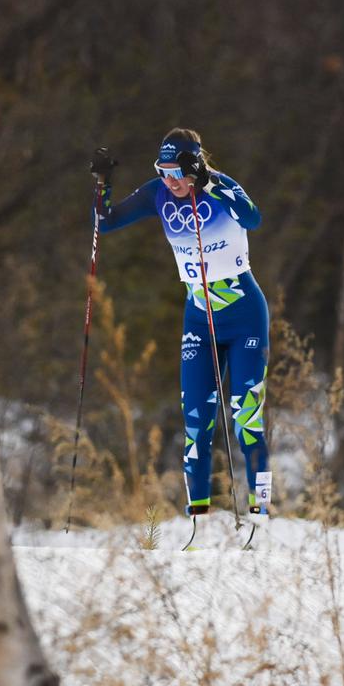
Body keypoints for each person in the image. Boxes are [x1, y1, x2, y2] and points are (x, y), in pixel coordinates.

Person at [89, 128, 272, 527]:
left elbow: (253, 219)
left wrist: (208, 182)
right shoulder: (158, 193)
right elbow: (105, 222)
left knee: (246, 415)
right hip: (198, 317)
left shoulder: (221, 187)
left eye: (178, 172)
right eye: (163, 170)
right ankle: (200, 519)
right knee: (196, 420)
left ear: (196, 167)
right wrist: (102, 184)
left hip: (244, 316)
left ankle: (261, 511)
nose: (170, 180)